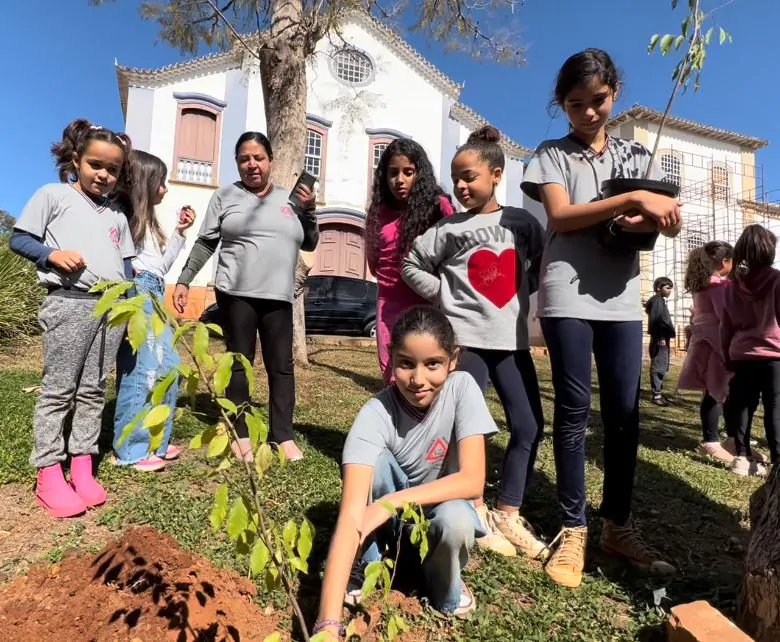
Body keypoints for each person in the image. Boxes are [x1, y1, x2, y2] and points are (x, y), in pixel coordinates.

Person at [520, 48, 680, 588]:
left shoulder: (638, 157)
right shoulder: (549, 155)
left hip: (621, 300)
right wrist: (631, 198)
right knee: (572, 410)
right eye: (574, 104)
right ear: (561, 104)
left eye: (598, 101)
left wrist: (660, 215)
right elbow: (561, 216)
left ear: (614, 95)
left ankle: (617, 525)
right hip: (567, 293)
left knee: (625, 416)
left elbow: (670, 225)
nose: (587, 113)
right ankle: (572, 528)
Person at [403, 125, 546, 560]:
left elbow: (540, 265)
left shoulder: (522, 223)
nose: (461, 186)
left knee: (528, 425)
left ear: (496, 174)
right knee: (470, 429)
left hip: (513, 343)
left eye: (470, 177)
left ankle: (508, 510)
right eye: (456, 178)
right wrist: (443, 293)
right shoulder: (448, 229)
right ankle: (476, 506)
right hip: (466, 342)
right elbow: (411, 262)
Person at [313, 306, 495, 639]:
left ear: (453, 359)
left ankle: (445, 587)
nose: (418, 379)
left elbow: (472, 481)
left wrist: (392, 502)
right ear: (390, 358)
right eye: (406, 363)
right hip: (388, 533)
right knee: (377, 462)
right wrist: (327, 623)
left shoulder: (462, 389)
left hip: (437, 521)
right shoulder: (375, 414)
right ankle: (367, 566)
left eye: (433, 364)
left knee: (457, 519)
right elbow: (352, 516)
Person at [8, 119, 135, 518]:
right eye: (96, 164)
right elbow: (20, 237)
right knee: (59, 388)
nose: (104, 174)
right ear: (77, 161)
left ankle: (82, 462)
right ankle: (48, 470)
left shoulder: (117, 216)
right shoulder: (53, 196)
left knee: (94, 389)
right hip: (69, 303)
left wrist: (129, 305)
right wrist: (52, 255)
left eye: (113, 169)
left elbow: (127, 265)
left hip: (111, 310)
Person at [172, 132, 318, 463]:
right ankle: (239, 434)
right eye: (244, 159)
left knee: (282, 367)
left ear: (271, 161)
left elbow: (309, 242)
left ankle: (283, 435)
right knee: (239, 364)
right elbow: (206, 242)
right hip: (236, 294)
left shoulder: (290, 201)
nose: (252, 164)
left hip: (278, 298)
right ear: (238, 163)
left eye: (258, 158)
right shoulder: (225, 197)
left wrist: (309, 211)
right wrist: (184, 279)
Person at [112, 151, 196, 471]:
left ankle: (156, 441)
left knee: (169, 367)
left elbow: (160, 267)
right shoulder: (122, 216)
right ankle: (131, 449)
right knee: (141, 369)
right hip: (138, 294)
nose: (165, 189)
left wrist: (179, 232)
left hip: (155, 291)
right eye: (161, 182)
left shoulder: (148, 223)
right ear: (145, 183)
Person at [365, 138, 454, 383]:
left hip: (428, 301)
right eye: (393, 173)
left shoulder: (438, 206)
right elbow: (374, 259)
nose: (400, 180)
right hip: (389, 303)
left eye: (408, 172)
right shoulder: (378, 211)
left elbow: (455, 250)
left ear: (419, 173)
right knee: (394, 372)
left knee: (428, 369)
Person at [720, 224, 780, 477]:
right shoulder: (778, 280)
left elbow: (726, 324)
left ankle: (742, 458)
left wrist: (726, 355)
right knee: (775, 407)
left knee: (743, 406)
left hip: (741, 355)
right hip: (774, 354)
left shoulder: (732, 285)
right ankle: (778, 461)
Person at [677, 242, 736, 463]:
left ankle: (729, 438)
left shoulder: (702, 285)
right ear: (724, 262)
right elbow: (727, 316)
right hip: (718, 344)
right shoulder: (719, 287)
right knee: (716, 392)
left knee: (721, 392)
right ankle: (710, 441)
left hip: (706, 342)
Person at [645, 277, 676, 406]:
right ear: (659, 288)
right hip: (660, 339)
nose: (669, 291)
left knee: (663, 365)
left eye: (670, 288)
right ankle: (656, 395)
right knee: (659, 366)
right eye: (667, 288)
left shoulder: (660, 301)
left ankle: (658, 393)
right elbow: (656, 321)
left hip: (662, 338)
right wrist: (661, 337)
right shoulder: (657, 301)